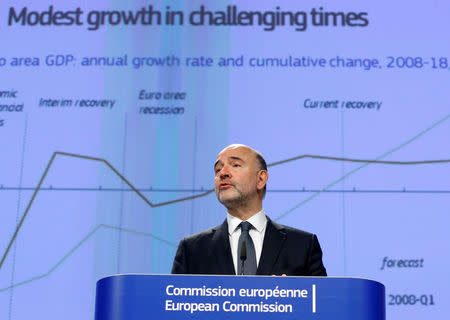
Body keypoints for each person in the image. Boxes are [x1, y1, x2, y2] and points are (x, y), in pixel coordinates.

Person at [171, 144, 327, 276]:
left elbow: (322, 305)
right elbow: (174, 308)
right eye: (218, 169)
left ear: (260, 179)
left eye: (235, 165)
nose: (223, 173)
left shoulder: (302, 246)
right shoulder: (191, 250)